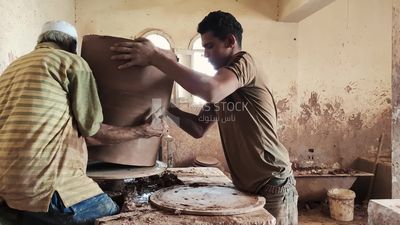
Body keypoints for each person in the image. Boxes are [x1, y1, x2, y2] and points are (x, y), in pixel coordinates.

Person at [110, 10, 298, 225]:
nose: (206, 54)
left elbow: (210, 90)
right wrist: (167, 106)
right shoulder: (223, 86)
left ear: (230, 41)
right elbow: (197, 128)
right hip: (246, 184)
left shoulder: (245, 62)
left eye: (209, 46)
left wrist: (155, 57)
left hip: (273, 181)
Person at [0, 20, 167, 225]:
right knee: (118, 217)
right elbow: (92, 130)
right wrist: (142, 131)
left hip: (6, 191)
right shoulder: (71, 62)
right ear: (72, 46)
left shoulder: (11, 69)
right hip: (47, 191)